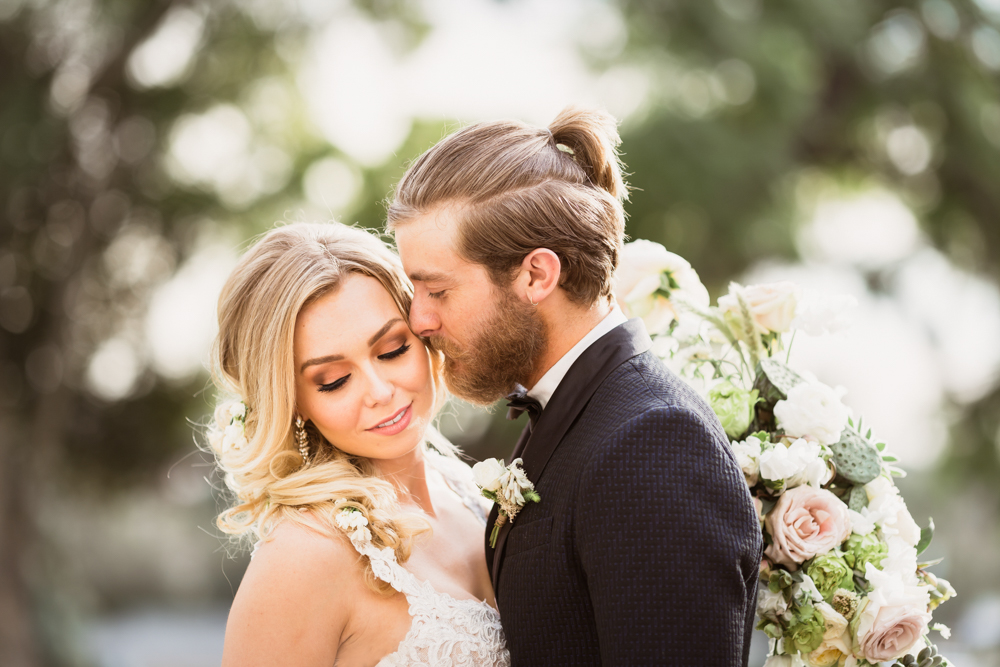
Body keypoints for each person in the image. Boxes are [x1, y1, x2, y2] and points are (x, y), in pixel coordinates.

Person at [389, 107, 763, 666]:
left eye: (437, 291)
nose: (418, 320)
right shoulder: (579, 415)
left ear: (537, 275)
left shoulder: (653, 445)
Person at [206, 223, 510, 666]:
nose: (379, 391)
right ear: (294, 403)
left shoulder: (471, 491)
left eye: (391, 350)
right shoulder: (303, 555)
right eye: (333, 381)